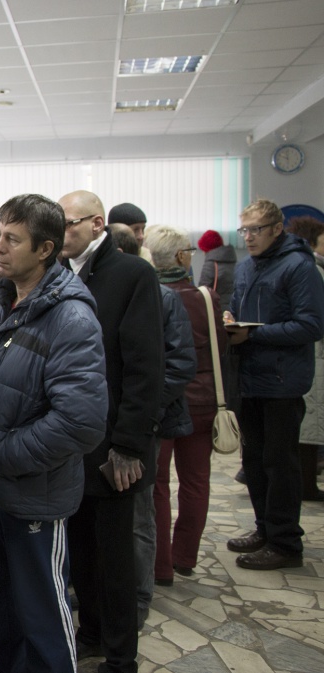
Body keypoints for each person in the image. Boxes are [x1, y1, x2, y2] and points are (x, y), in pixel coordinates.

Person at [0, 194, 107, 672]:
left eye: (11, 239)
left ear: (45, 249)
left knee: (41, 620)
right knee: (1, 618)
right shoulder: (1, 303)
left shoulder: (70, 317)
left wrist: (1, 454)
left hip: (34, 497)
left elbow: (79, 423)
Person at [59, 190, 164, 673]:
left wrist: (128, 445)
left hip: (114, 444)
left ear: (97, 223)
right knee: (81, 553)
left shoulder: (131, 274)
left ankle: (122, 655)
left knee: (116, 559)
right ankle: (93, 634)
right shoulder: (60, 274)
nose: (61, 234)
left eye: (69, 224)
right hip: (74, 442)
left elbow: (144, 367)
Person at [225, 199, 324, 570]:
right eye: (244, 230)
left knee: (279, 464)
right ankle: (265, 528)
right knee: (254, 460)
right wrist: (231, 318)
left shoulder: (300, 267)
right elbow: (237, 307)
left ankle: (286, 543)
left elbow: (311, 325)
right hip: (251, 378)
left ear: (277, 229)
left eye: (255, 230)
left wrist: (253, 335)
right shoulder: (250, 265)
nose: (248, 238)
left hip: (282, 381)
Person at [111, 223, 196, 625]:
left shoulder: (161, 298)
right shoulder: (97, 296)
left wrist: (144, 410)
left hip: (144, 426)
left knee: (139, 516)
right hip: (110, 426)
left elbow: (179, 366)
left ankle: (139, 597)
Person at [144, 225, 225, 587]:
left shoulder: (148, 298)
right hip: (202, 400)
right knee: (196, 480)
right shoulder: (205, 298)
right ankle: (184, 556)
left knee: (157, 484)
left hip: (162, 402)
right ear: (181, 257)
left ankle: (160, 567)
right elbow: (221, 351)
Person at [286, 215, 324, 500]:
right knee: (307, 429)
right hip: (311, 357)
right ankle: (306, 486)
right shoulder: (311, 269)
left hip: (308, 358)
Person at [196, 229, 236, 310]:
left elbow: (203, 291)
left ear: (208, 249)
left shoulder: (210, 264)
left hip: (217, 309)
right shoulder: (232, 261)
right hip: (234, 308)